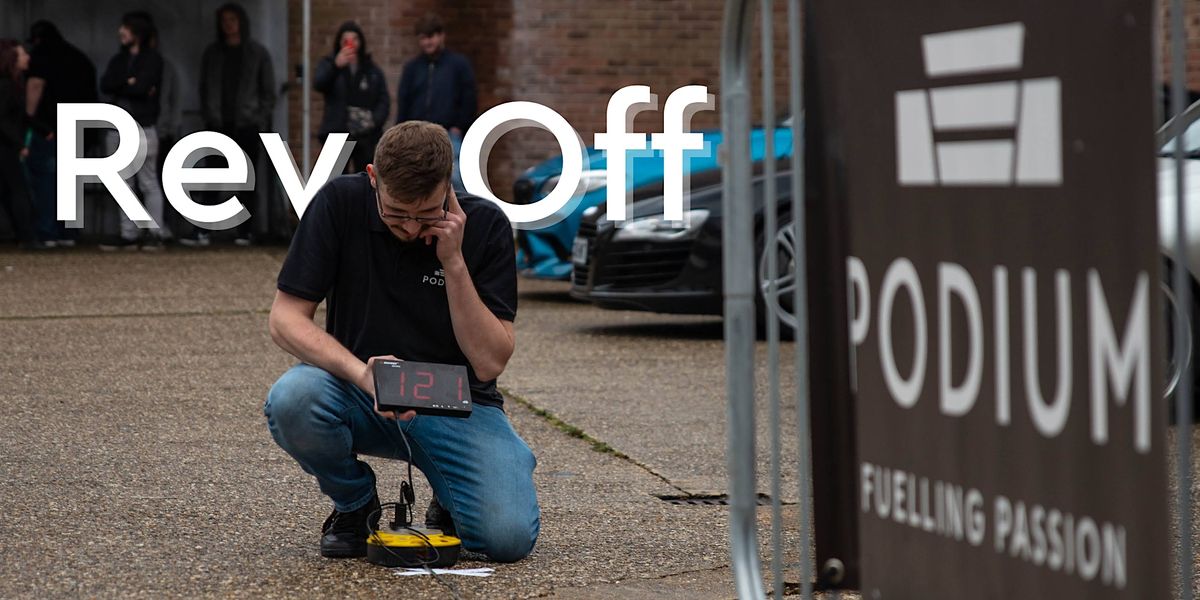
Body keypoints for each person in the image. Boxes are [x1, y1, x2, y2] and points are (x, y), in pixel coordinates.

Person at [264, 121, 538, 563]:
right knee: (293, 398)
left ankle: (450, 500)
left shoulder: (486, 225)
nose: (411, 228)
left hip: (460, 404)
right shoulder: (340, 203)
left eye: (426, 213)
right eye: (396, 213)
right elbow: (285, 320)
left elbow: (489, 363)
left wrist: (453, 262)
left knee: (505, 539)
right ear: (373, 177)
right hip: (362, 393)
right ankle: (355, 506)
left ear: (449, 187)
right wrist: (362, 374)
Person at [184, 2, 275, 247]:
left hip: (247, 125)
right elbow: (204, 88)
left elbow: (268, 92)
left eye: (232, 20)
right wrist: (209, 114)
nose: (228, 25)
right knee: (211, 176)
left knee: (247, 180)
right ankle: (204, 229)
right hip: (217, 124)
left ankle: (245, 230)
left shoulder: (257, 53)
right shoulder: (213, 53)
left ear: (241, 22)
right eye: (224, 20)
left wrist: (258, 118)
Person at [98, 12, 171, 251]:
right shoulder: (119, 60)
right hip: (119, 125)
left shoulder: (152, 60)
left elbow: (140, 88)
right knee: (123, 182)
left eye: (126, 30)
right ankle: (129, 233)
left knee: (147, 181)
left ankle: (154, 232)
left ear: (137, 34)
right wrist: (129, 83)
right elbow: (106, 84)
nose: (121, 33)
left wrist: (129, 85)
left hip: (142, 125)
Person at [25, 21, 97, 248]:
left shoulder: (42, 55)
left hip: (50, 127)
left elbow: (36, 85)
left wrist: (28, 119)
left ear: (37, 39)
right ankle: (69, 231)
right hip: (81, 125)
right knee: (71, 179)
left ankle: (48, 231)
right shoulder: (79, 57)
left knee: (47, 178)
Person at [395, 14, 476, 191]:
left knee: (457, 180)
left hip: (449, 133)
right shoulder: (412, 68)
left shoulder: (459, 65)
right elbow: (404, 101)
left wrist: (459, 126)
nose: (427, 42)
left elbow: (469, 98)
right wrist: (402, 130)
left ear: (441, 36)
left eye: (430, 37)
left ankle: (461, 217)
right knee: (417, 181)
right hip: (417, 135)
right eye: (423, 38)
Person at [314, 22, 389, 174]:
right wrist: (335, 66)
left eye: (355, 39)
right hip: (337, 132)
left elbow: (383, 100)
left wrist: (373, 121)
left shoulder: (371, 70)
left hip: (365, 135)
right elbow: (319, 83)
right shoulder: (330, 63)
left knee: (365, 178)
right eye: (346, 40)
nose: (351, 44)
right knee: (335, 179)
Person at [0, 41, 42, 250]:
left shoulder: (14, 83)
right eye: (23, 54)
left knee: (11, 191)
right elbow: (3, 120)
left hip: (7, 144)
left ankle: (22, 234)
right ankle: (26, 236)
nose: (27, 57)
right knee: (18, 190)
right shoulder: (6, 86)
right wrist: (19, 144)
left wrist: (44, 129)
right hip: (5, 147)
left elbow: (20, 117)